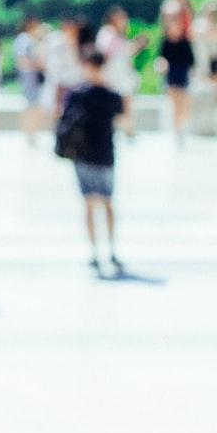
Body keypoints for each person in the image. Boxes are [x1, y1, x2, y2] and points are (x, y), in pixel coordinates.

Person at [56, 47, 130, 277]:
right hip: (103, 154)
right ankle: (108, 249)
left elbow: (61, 118)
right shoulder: (110, 94)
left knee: (91, 203)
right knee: (105, 203)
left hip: (85, 155)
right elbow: (124, 116)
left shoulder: (77, 94)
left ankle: (97, 251)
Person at [156, 0, 195, 147]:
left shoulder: (185, 41)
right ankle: (177, 131)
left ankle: (180, 129)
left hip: (183, 74)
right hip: (171, 75)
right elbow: (161, 57)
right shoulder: (165, 41)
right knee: (175, 104)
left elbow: (191, 60)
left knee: (183, 105)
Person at [94, 7, 147, 112]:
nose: (125, 22)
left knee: (125, 111)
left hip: (120, 80)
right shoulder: (108, 33)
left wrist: (138, 45)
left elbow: (124, 51)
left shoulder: (115, 35)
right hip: (113, 80)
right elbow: (106, 53)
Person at [12, 16, 47, 145]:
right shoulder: (24, 39)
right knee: (31, 107)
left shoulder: (29, 39)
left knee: (33, 106)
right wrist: (37, 64)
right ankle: (29, 134)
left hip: (31, 78)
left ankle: (32, 133)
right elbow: (22, 60)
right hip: (29, 78)